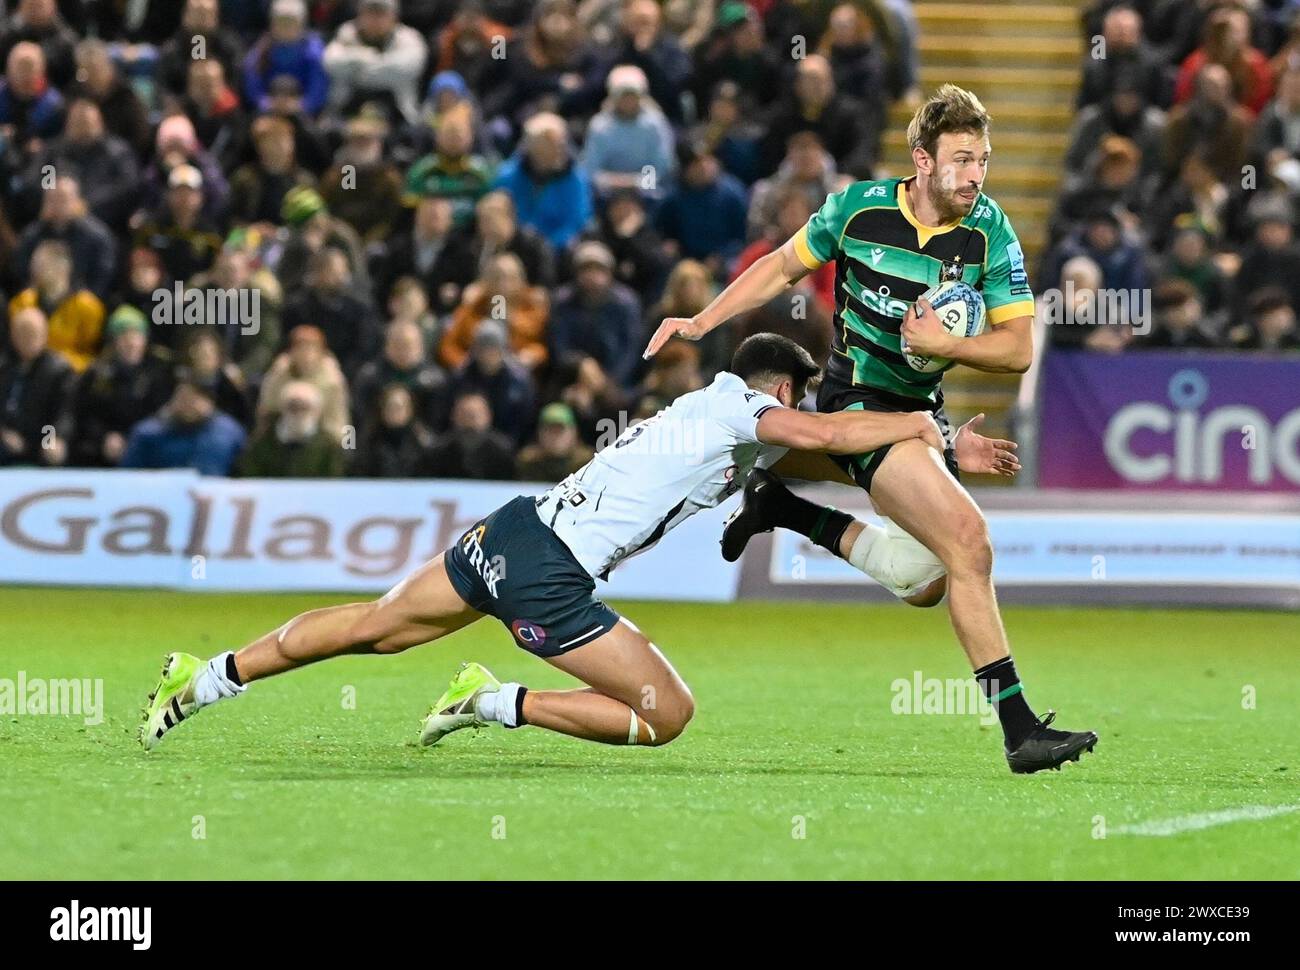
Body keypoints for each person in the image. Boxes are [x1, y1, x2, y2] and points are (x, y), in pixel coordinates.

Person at [138, 333, 944, 753]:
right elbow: (821, 433)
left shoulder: (713, 418)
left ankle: (208, 674)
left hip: (514, 530)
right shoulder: (742, 406)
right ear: (777, 387)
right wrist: (922, 423)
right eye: (791, 396)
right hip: (549, 575)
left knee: (371, 628)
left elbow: (809, 457)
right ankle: (489, 700)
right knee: (666, 715)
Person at [645, 86, 1099, 774]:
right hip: (858, 404)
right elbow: (779, 265)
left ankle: (782, 506)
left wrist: (945, 349)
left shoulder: (991, 232)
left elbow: (1016, 351)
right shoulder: (857, 210)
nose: (976, 175)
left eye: (984, 159)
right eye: (962, 160)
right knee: (970, 543)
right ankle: (1019, 729)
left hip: (920, 417)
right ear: (923, 160)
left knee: (927, 579)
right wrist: (701, 321)